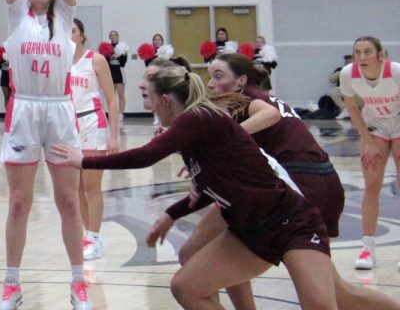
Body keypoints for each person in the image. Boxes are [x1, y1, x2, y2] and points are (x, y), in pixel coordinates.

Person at [52, 65, 338, 310]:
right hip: (251, 230)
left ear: (165, 99)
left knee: (329, 303)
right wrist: (172, 213)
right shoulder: (192, 129)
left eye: (148, 98)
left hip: (290, 222)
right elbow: (207, 187)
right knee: (186, 286)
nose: (148, 106)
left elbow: (145, 156)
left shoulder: (198, 117)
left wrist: (84, 161)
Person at [203, 52, 400, 310]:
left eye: (218, 76)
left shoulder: (249, 102)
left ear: (240, 81)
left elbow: (270, 116)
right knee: (338, 291)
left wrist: (225, 140)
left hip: (304, 185)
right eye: (209, 77)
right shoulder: (252, 101)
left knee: (220, 248)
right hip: (322, 183)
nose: (210, 84)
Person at [0, 0, 91, 310]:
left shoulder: (64, 18)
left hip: (60, 110)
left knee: (68, 199)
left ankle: (78, 281)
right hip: (25, 110)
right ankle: (11, 284)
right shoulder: (17, 17)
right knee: (19, 202)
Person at [338, 35, 400, 270]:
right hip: (375, 125)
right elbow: (352, 109)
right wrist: (368, 141)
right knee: (372, 183)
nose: (361, 57)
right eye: (358, 52)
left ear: (380, 55)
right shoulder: (348, 74)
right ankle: (367, 248)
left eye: (367, 52)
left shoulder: (395, 71)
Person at [68, 19, 120, 261]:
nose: (69, 35)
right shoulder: (60, 64)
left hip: (92, 123)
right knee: (76, 187)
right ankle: (87, 236)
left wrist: (113, 134)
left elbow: (112, 99)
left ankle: (95, 238)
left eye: (73, 30)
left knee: (91, 186)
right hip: (69, 125)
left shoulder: (96, 60)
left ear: (81, 34)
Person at [104, 29, 129, 116]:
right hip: (110, 72)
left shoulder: (122, 47)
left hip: (119, 71)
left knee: (121, 95)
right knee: (111, 95)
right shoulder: (106, 47)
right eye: (111, 35)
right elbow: (105, 62)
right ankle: (112, 113)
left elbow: (124, 62)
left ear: (118, 37)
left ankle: (120, 115)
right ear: (109, 37)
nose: (113, 36)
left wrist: (119, 55)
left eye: (115, 35)